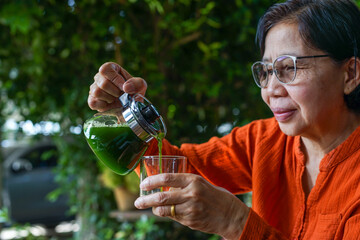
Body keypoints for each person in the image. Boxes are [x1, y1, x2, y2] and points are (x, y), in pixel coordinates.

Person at [87, 0, 360, 239]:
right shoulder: (263, 141)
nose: (271, 90)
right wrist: (126, 114)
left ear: (350, 74)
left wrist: (235, 222)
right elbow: (178, 172)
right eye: (266, 71)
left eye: (289, 68)